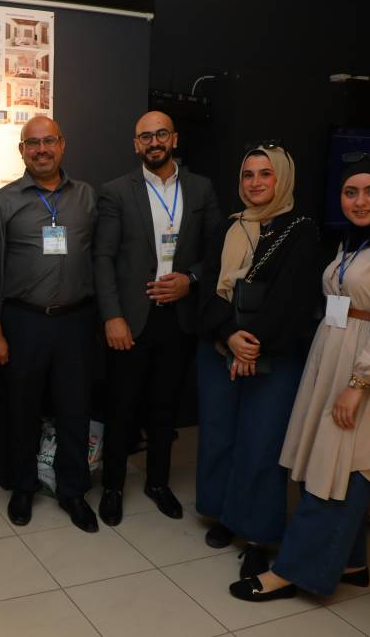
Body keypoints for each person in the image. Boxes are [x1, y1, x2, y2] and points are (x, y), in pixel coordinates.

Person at [230, 156, 370, 602]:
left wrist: (358, 385)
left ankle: (293, 571)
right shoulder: (354, 242)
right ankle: (352, 563)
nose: (360, 201)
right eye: (350, 192)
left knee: (340, 468)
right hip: (331, 358)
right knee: (332, 464)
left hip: (366, 373)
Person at [195, 144, 320, 578]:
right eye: (248, 175)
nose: (255, 183)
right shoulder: (227, 228)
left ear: (282, 179)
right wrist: (230, 336)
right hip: (221, 348)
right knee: (220, 436)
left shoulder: (301, 231)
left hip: (273, 355)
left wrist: (253, 344)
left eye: (266, 174)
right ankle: (224, 514)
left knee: (261, 444)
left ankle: (256, 535)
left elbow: (293, 299)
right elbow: (208, 288)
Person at [93, 111, 221, 524]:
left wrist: (191, 280)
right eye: (145, 136)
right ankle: (113, 487)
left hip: (178, 317)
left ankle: (157, 482)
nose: (154, 142)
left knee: (166, 408)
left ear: (174, 139)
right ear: (136, 144)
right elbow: (103, 258)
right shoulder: (116, 192)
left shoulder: (201, 189)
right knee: (121, 406)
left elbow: (216, 251)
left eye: (161, 134)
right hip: (131, 319)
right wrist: (112, 317)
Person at [0, 116, 98, 533]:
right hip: (24, 321)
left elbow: (102, 257)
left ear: (62, 145)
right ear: (22, 151)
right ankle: (23, 486)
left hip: (77, 321)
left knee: (75, 408)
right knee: (22, 408)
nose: (42, 150)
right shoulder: (3, 202)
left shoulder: (87, 197)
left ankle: (73, 491)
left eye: (49, 141)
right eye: (33, 143)